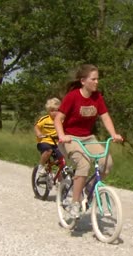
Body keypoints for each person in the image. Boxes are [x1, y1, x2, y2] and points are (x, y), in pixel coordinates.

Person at [54, 64, 123, 218]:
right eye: (93, 79)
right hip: (70, 138)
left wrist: (114, 134)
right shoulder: (72, 96)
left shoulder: (97, 97)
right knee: (83, 164)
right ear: (83, 81)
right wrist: (62, 136)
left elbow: (105, 116)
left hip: (88, 138)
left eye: (98, 79)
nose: (97, 82)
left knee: (107, 163)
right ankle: (75, 203)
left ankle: (89, 187)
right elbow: (58, 118)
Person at [34, 97, 64, 181]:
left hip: (56, 143)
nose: (55, 112)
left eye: (57, 110)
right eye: (52, 110)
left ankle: (61, 183)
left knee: (62, 161)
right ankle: (41, 167)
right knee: (48, 151)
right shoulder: (45, 119)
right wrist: (39, 133)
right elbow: (36, 126)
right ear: (48, 111)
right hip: (44, 141)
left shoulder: (61, 120)